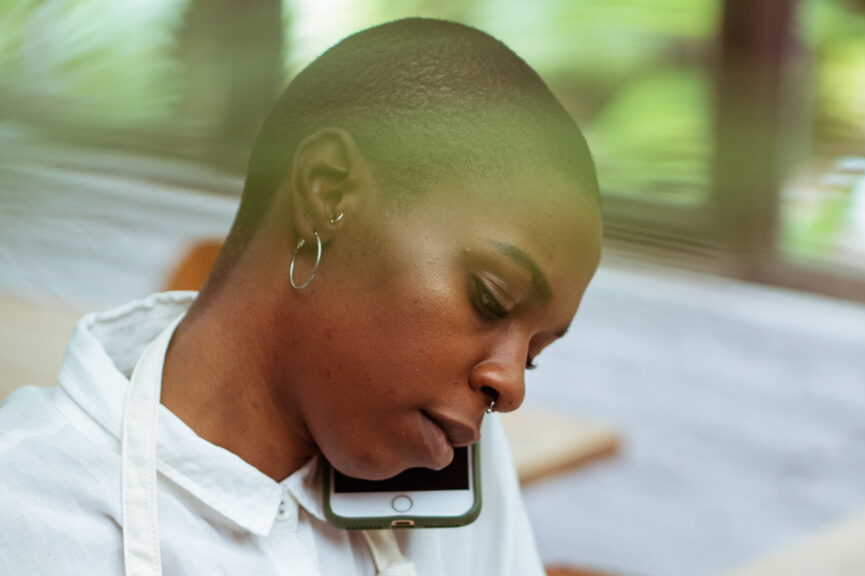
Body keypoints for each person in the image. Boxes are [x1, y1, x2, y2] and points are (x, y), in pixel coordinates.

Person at [0, 17, 602, 575]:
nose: (512, 387)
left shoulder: (448, 478)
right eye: (491, 297)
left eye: (533, 353)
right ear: (327, 191)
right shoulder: (22, 508)